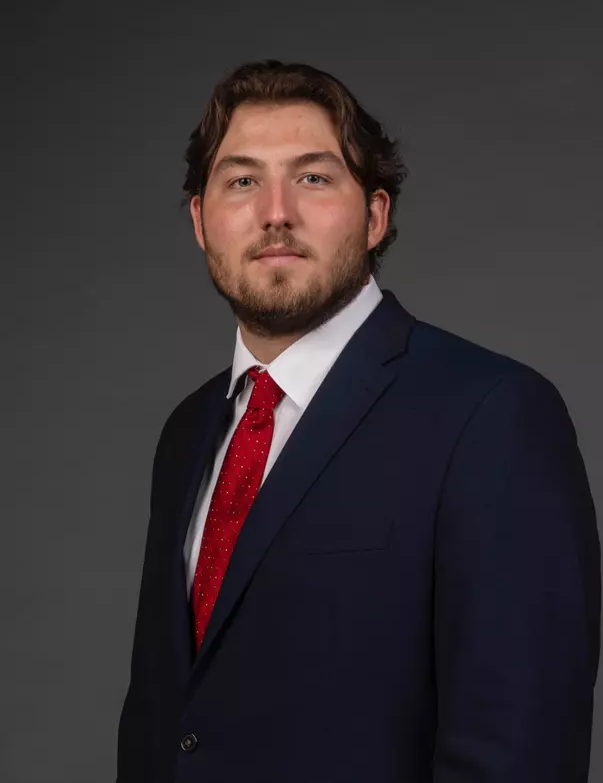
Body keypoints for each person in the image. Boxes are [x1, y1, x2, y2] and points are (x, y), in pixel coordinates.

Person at [116, 59, 601, 783]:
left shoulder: (492, 414)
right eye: (242, 180)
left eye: (312, 177)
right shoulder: (188, 431)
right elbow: (168, 720)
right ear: (199, 219)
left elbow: (518, 747)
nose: (274, 210)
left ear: (374, 215)